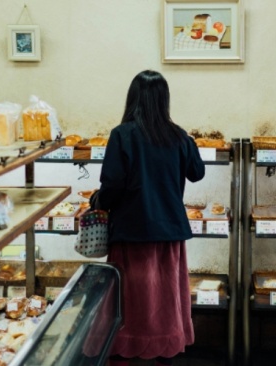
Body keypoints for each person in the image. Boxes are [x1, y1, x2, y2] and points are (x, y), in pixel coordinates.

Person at [91, 70, 205, 366]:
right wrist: (186, 138)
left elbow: (112, 185)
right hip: (168, 232)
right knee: (165, 300)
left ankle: (122, 354)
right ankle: (163, 354)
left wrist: (97, 201)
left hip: (131, 232)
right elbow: (197, 172)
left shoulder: (122, 134)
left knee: (128, 300)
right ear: (164, 100)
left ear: (132, 99)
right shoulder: (177, 136)